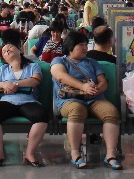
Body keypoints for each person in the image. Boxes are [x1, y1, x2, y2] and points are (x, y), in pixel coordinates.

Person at [51, 31, 123, 170]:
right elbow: (60, 76)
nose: (84, 48)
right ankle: (75, 154)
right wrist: (83, 86)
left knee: (111, 113)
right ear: (70, 47)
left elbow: (103, 82)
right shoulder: (59, 61)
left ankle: (110, 155)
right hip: (69, 99)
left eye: (85, 44)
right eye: (80, 45)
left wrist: (98, 89)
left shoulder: (92, 62)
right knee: (77, 110)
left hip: (94, 98)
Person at [0, 30, 48, 167]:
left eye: (9, 48)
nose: (6, 50)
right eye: (4, 50)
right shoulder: (2, 70)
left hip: (28, 101)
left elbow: (35, 80)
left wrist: (15, 84)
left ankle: (30, 153)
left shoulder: (32, 66)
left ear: (19, 49)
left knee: (41, 116)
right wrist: (2, 84)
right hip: (7, 101)